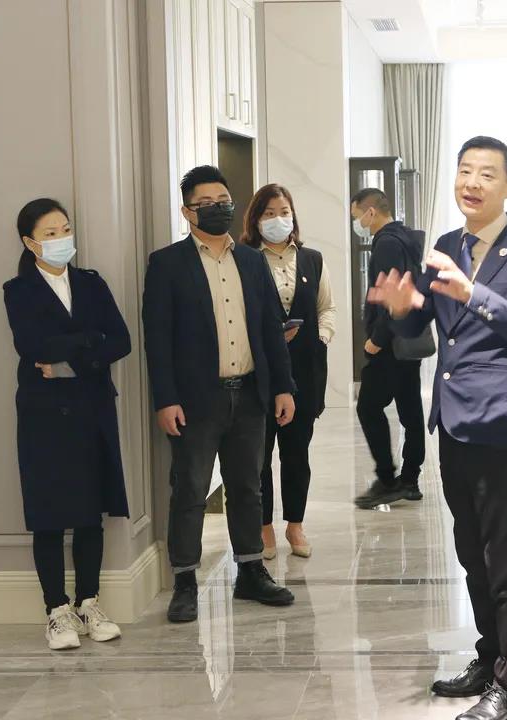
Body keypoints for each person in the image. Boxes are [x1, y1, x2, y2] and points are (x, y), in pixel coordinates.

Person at [367, 136, 507, 720]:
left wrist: (474, 292)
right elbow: (427, 324)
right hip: (451, 422)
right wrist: (403, 309)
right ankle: (491, 657)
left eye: (486, 174)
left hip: (500, 424)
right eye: (464, 171)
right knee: (472, 553)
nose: (471, 183)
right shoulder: (447, 245)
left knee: (506, 558)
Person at [143, 165, 296, 624]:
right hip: (195, 401)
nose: (217, 208)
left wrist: (283, 387)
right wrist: (165, 399)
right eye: (206, 203)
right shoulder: (167, 264)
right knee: (190, 489)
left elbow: (270, 330)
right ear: (187, 211)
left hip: (249, 395)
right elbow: (158, 339)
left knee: (248, 486)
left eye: (223, 201)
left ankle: (250, 571)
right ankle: (185, 582)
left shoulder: (251, 260)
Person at [2, 198, 130, 649]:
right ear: (30, 242)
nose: (61, 239)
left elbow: (120, 340)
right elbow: (32, 346)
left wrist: (71, 360)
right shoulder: (18, 290)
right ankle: (56, 610)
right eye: (51, 233)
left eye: (66, 229)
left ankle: (88, 602)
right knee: (49, 512)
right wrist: (90, 341)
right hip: (43, 414)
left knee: (90, 510)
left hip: (92, 407)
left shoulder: (91, 283)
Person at [240, 182, 336, 559]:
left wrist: (321, 338)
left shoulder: (312, 259)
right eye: (269, 213)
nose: (278, 219)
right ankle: (264, 528)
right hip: (260, 372)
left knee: (297, 455)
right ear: (255, 219)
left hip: (305, 372)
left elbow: (326, 307)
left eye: (284, 212)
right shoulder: (245, 259)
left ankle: (295, 525)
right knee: (259, 457)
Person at [351, 187, 429, 509]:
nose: (357, 224)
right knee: (410, 409)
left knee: (368, 407)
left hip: (391, 342)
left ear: (371, 213)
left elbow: (390, 296)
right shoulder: (405, 239)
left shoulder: (386, 244)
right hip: (407, 339)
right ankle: (410, 480)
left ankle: (387, 480)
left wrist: (376, 340)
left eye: (357, 216)